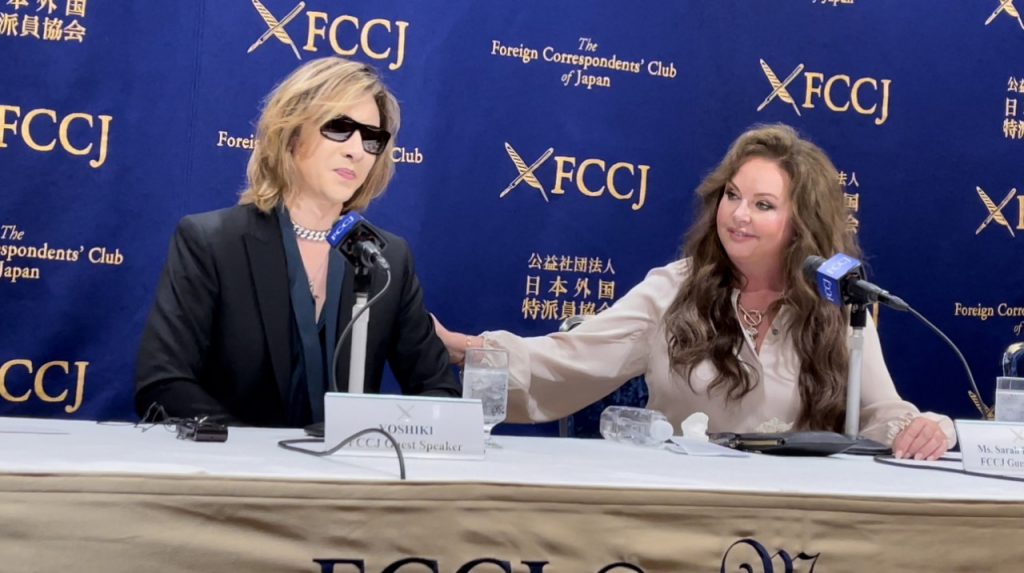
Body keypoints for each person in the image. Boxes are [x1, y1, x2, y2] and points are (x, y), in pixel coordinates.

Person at [435, 124, 954, 460]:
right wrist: (465, 349)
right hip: (688, 512)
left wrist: (932, 429)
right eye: (732, 196)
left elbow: (882, 415)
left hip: (800, 519)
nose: (739, 215)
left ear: (802, 224)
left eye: (763, 204)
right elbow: (569, 360)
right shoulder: (673, 289)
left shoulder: (837, 307)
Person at [135, 57, 459, 427]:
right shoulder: (212, 242)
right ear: (291, 133)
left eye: (372, 138)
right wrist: (255, 457)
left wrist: (378, 439)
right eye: (339, 128)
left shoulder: (387, 259)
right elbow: (163, 382)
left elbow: (439, 392)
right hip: (239, 475)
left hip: (351, 481)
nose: (356, 150)